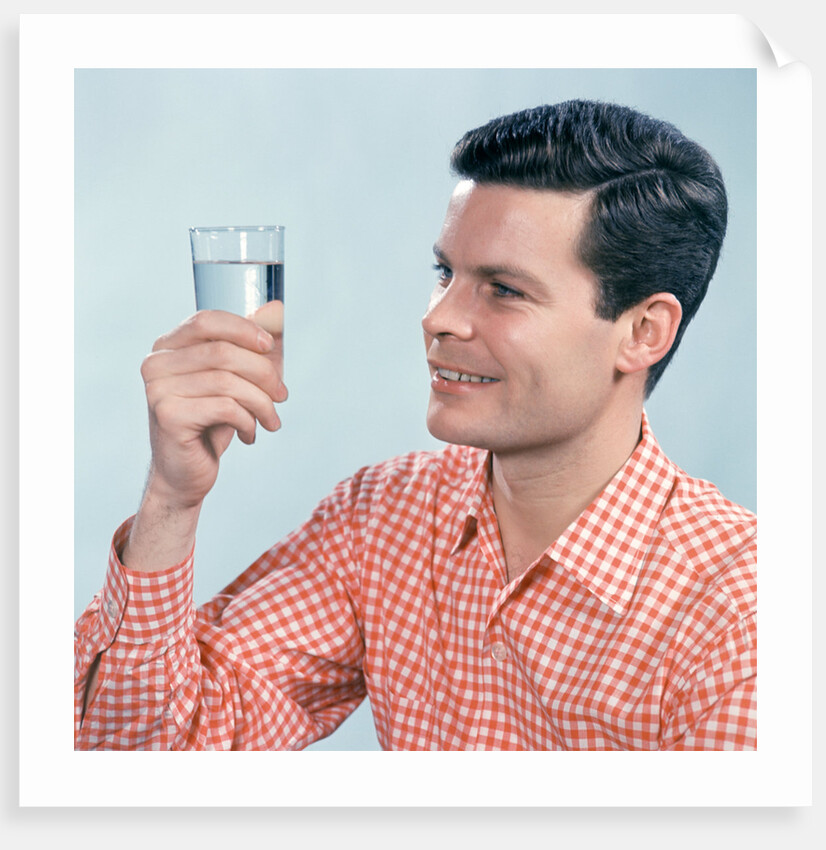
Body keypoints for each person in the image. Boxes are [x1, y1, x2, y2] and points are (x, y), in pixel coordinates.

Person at [74, 99, 756, 750]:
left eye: (505, 290)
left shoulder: (741, 609)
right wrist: (171, 496)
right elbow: (149, 757)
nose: (439, 318)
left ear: (643, 331)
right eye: (445, 272)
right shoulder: (383, 520)